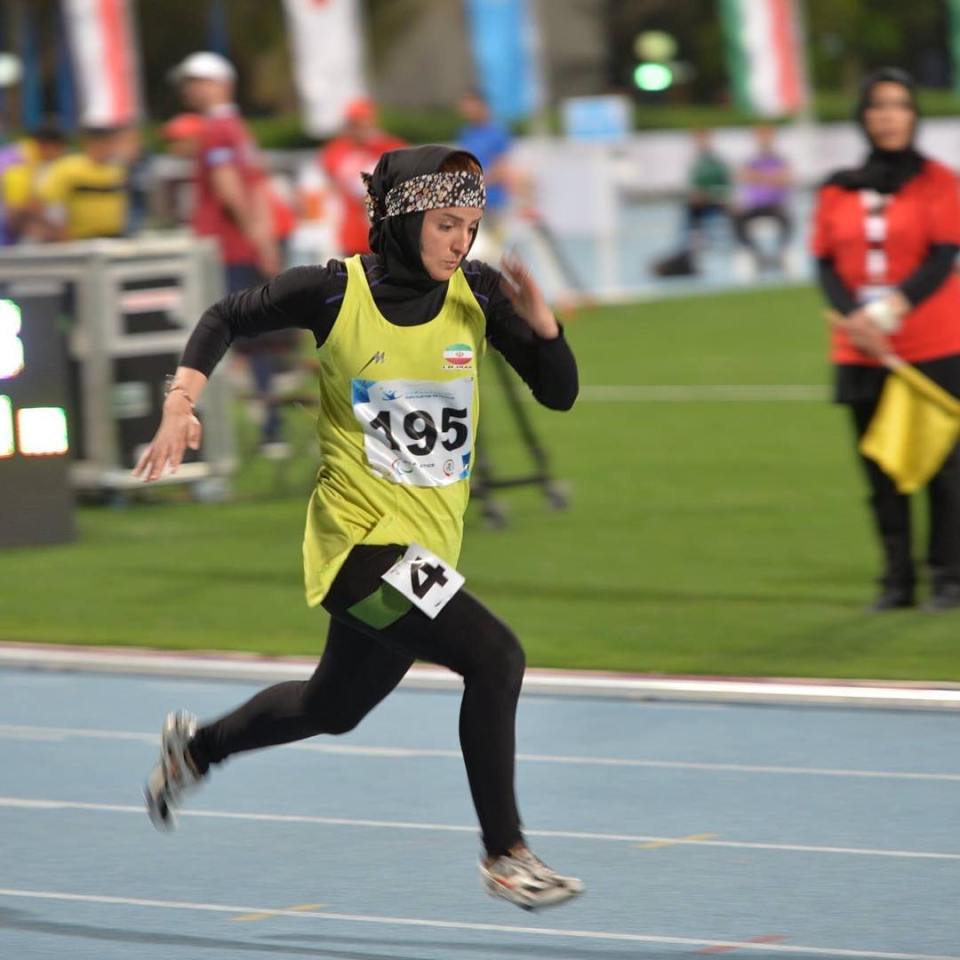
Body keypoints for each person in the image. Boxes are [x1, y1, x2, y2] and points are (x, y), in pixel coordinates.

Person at [136, 145, 584, 910]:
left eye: (471, 225)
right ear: (405, 220)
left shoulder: (478, 292)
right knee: (496, 657)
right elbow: (225, 316)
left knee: (332, 708)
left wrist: (545, 330)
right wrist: (181, 402)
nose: (461, 242)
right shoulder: (334, 291)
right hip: (359, 550)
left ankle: (198, 747)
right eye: (445, 224)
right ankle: (506, 854)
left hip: (423, 554)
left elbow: (559, 393)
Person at [813, 67, 960, 612]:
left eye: (899, 105)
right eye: (877, 106)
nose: (888, 116)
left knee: (944, 466)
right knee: (879, 466)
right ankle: (896, 579)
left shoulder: (939, 182)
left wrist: (889, 312)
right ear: (863, 117)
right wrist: (855, 319)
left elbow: (943, 257)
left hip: (932, 342)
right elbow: (824, 262)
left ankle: (948, 574)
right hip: (860, 348)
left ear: (914, 115)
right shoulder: (837, 187)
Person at [170, 51, 287, 451]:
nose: (190, 90)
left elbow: (230, 189)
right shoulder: (237, 128)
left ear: (221, 84)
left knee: (212, 340)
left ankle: (207, 433)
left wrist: (258, 239)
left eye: (198, 82)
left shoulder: (218, 129)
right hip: (239, 248)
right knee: (254, 338)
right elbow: (255, 187)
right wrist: (264, 240)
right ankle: (269, 424)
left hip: (222, 251)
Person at [322, 97, 406, 258]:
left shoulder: (390, 147)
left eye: (362, 123)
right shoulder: (337, 149)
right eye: (354, 124)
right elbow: (331, 180)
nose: (358, 130)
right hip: (352, 230)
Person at [653, 128, 731, 277]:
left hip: (716, 204)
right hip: (698, 206)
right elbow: (694, 188)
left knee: (693, 216)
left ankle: (688, 255)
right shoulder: (696, 163)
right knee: (689, 214)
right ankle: (686, 254)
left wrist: (709, 195)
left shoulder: (717, 163)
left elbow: (725, 188)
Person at [36, 126, 129, 241]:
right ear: (89, 143)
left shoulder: (118, 169)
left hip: (114, 237)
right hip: (79, 238)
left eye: (109, 143)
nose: (105, 148)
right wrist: (59, 231)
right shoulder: (68, 168)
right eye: (101, 143)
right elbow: (49, 204)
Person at [458, 91, 513, 249]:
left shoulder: (497, 132)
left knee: (497, 248)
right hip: (472, 204)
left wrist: (478, 183)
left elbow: (501, 168)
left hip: (494, 203)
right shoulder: (466, 133)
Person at [733, 124, 792, 271]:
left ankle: (780, 253)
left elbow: (786, 179)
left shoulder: (779, 160)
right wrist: (770, 177)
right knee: (737, 219)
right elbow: (743, 176)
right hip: (754, 206)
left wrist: (758, 177)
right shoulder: (752, 161)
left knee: (787, 219)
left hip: (775, 205)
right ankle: (755, 253)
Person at [0, 119, 68, 243]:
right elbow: (17, 209)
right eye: (59, 149)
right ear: (48, 146)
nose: (60, 154)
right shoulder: (19, 163)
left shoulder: (32, 159)